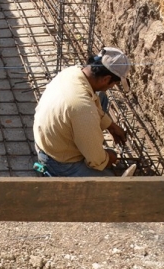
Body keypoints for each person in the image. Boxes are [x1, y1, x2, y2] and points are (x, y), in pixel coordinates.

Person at [33, 47, 131, 177]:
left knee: (101, 97)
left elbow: (84, 106)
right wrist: (109, 158)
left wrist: (111, 126)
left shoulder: (71, 72)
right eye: (113, 84)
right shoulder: (83, 109)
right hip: (57, 161)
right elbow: (96, 160)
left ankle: (88, 138)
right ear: (106, 79)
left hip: (49, 140)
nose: (111, 87)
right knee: (110, 184)